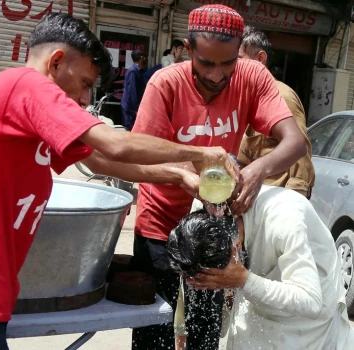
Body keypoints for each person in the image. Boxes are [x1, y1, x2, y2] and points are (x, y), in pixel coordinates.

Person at [0, 13, 239, 350]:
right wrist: (200, 154)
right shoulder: (28, 86)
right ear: (56, 63)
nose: (85, 99)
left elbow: (102, 160)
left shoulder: (21, 103)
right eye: (85, 83)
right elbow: (116, 144)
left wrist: (177, 175)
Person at [131, 4, 307, 349]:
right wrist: (184, 174)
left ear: (240, 53)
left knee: (204, 332)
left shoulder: (252, 77)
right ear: (188, 48)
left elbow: (295, 142)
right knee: (156, 334)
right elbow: (138, 154)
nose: (215, 75)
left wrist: (257, 171)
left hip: (211, 231)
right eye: (206, 63)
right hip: (160, 227)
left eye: (227, 63)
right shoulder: (166, 83)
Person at [169, 186, 354, 349]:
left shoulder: (285, 221)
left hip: (306, 316)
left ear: (236, 248)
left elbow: (311, 302)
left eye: (218, 280)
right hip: (257, 293)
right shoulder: (205, 210)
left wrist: (243, 280)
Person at [238, 26, 315, 198]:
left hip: (275, 199)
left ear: (260, 59)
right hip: (252, 200)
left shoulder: (282, 96)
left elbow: (301, 163)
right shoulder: (245, 97)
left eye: (238, 59)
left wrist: (294, 204)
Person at [121, 50, 146, 130]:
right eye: (144, 57)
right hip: (130, 108)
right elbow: (132, 91)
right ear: (141, 58)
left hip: (132, 107)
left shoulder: (138, 71)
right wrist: (136, 108)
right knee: (131, 129)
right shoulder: (133, 71)